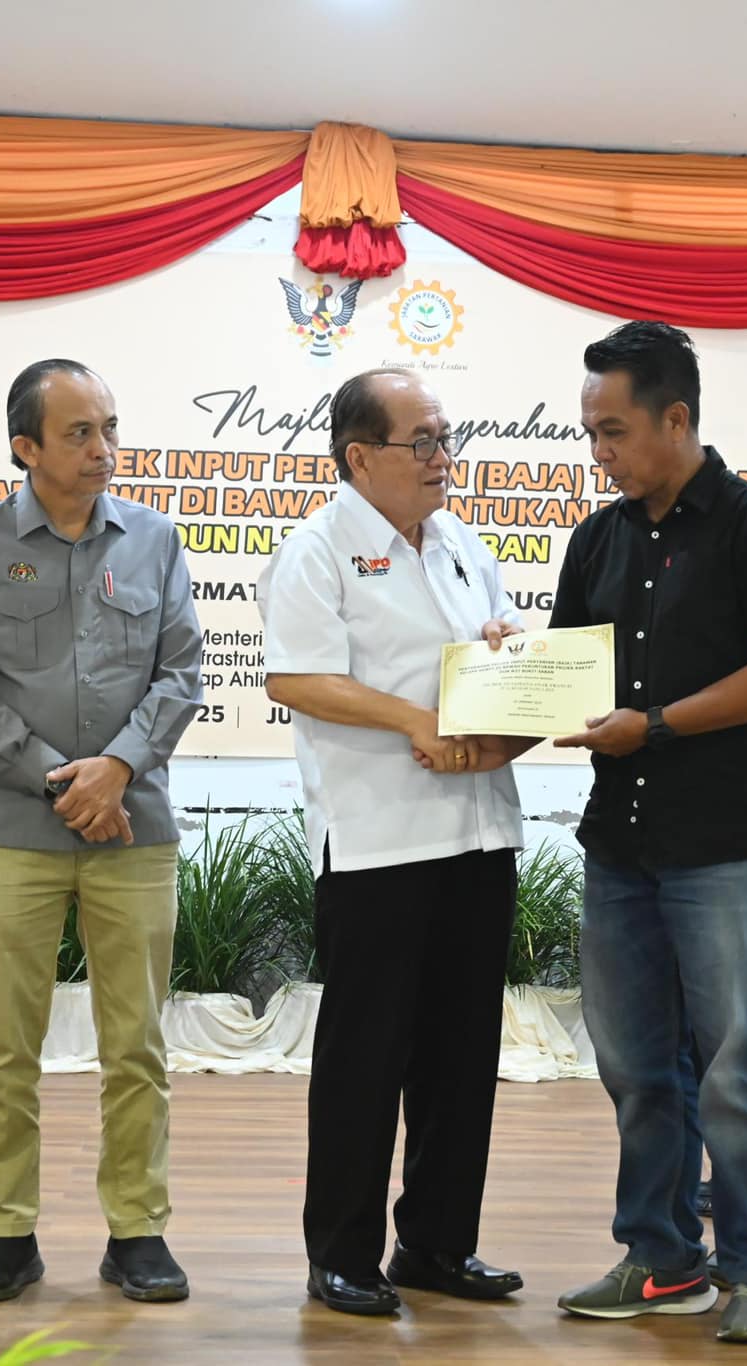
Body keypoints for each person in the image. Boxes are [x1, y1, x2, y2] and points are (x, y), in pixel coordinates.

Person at [549, 321, 747, 1346]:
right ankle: (662, 1258)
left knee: (734, 1065)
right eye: (590, 432)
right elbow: (566, 674)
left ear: (675, 418)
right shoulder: (597, 539)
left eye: (613, 431)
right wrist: (504, 669)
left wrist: (655, 726)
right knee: (633, 1066)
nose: (599, 452)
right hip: (619, 842)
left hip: (723, 843)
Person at [257, 367, 530, 1318]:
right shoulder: (317, 549)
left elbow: (483, 655)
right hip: (378, 843)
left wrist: (504, 654)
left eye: (446, 438)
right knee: (366, 1060)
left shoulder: (461, 542)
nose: (441, 457)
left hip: (478, 829)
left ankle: (438, 1244)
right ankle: (341, 1253)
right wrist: (416, 719)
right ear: (360, 456)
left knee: (462, 1054)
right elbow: (296, 678)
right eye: (422, 442)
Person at [0, 360, 204, 1304]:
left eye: (110, 428)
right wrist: (64, 782)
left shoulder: (155, 539)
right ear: (26, 448)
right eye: (80, 432)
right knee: (7, 1047)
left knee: (138, 1046)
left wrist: (116, 770)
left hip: (134, 828)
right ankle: (5, 1233)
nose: (103, 449)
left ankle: (138, 1231)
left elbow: (181, 675)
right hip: (17, 831)